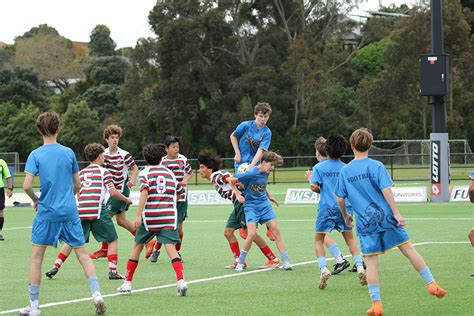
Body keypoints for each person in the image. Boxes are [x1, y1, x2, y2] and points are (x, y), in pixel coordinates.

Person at [335, 128, 447, 316]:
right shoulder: (377, 166)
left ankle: (376, 304)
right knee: (409, 249)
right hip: (386, 218)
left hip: (365, 223)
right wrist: (396, 213)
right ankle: (432, 284)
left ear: (351, 145)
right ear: (370, 145)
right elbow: (386, 190)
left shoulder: (345, 171)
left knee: (371, 263)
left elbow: (339, 198)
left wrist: (346, 216)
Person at [21, 110, 106, 315]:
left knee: (36, 259)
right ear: (58, 129)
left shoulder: (35, 154)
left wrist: (36, 200)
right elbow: (77, 185)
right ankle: (96, 294)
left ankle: (34, 307)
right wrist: (69, 195)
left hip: (47, 212)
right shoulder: (68, 153)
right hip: (69, 211)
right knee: (83, 255)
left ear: (39, 130)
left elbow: (26, 186)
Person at [45, 143, 132, 280]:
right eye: (103, 155)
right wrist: (126, 199)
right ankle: (113, 271)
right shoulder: (104, 172)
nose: (104, 157)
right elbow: (113, 192)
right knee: (112, 239)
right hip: (97, 210)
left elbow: (78, 191)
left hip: (81, 210)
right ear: (99, 156)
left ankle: (56, 266)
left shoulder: (81, 172)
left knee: (71, 240)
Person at [117, 144, 188, 296]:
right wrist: (168, 201)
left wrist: (137, 215)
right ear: (161, 157)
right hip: (168, 217)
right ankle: (181, 281)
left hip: (150, 217)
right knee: (171, 248)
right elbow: (180, 193)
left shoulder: (145, 173)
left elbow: (144, 192)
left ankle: (127, 283)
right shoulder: (170, 173)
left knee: (137, 245)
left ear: (145, 158)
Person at [198, 151, 280, 269]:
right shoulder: (219, 173)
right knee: (228, 232)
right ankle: (239, 260)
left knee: (249, 234)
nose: (200, 170)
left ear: (209, 169)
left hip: (241, 203)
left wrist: (237, 191)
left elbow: (231, 179)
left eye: (202, 167)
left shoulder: (215, 176)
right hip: (237, 205)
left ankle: (273, 259)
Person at [308, 135, 366, 290]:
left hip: (326, 208)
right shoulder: (346, 167)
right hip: (345, 208)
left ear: (326, 150)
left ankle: (323, 268)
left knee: (319, 240)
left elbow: (314, 187)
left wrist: (314, 183)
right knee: (350, 239)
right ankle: (360, 266)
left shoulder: (319, 168)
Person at [228, 151, 292, 272]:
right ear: (263, 162)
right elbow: (230, 179)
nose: (272, 168)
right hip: (251, 206)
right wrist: (237, 194)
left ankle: (286, 262)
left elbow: (261, 186)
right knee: (251, 234)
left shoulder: (266, 172)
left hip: (264, 205)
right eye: (271, 165)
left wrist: (269, 196)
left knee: (276, 231)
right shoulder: (251, 172)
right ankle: (240, 263)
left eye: (274, 166)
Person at [89, 125, 138, 259]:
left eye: (117, 137)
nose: (115, 140)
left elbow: (135, 168)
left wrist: (132, 180)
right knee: (121, 220)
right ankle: (147, 240)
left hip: (120, 191)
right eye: (112, 137)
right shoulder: (103, 154)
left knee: (105, 218)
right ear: (106, 139)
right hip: (112, 192)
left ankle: (105, 249)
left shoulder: (124, 154)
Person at [230, 102, 275, 241]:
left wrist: (253, 166)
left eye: (266, 116)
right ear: (255, 115)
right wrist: (237, 153)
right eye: (261, 116)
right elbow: (233, 136)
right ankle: (244, 226)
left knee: (259, 190)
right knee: (242, 191)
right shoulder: (245, 125)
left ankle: (269, 228)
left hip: (255, 164)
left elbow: (261, 150)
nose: (263, 119)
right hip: (241, 163)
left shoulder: (267, 132)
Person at [146, 136, 193, 263]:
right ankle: (156, 250)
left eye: (177, 147)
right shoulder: (162, 162)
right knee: (165, 225)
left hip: (181, 197)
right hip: (168, 197)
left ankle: (177, 252)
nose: (176, 149)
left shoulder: (183, 160)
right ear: (166, 149)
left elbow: (190, 172)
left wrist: (184, 181)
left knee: (178, 228)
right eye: (173, 147)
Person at [0, 158, 13, 241]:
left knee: (0, 212)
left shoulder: (2, 162)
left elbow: (8, 177)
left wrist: (10, 188)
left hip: (0, 189)